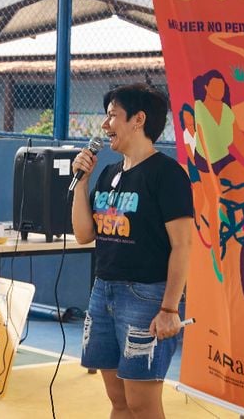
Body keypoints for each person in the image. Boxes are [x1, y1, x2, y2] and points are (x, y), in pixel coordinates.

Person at [71, 83, 193, 419]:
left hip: (146, 297)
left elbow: (183, 244)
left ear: (138, 120)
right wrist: (81, 182)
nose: (105, 125)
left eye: (112, 116)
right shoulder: (109, 173)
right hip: (104, 291)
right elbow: (83, 234)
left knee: (142, 403)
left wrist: (169, 308)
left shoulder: (167, 174)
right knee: (119, 400)